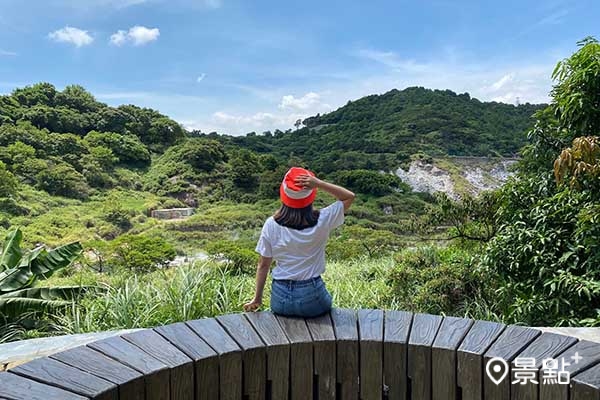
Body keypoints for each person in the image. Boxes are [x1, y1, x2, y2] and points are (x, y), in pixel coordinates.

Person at [243, 166, 355, 317]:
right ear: (310, 196)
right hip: (312, 297)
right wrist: (319, 183)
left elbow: (263, 265)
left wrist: (257, 299)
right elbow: (349, 196)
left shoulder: (271, 224)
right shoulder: (323, 218)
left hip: (279, 299)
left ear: (284, 195)